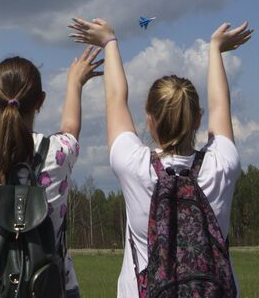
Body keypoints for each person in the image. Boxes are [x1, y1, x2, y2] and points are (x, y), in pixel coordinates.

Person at [68, 18, 252, 297]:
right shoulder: (222, 164)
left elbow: (116, 98)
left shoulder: (133, 164)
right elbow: (220, 105)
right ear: (198, 118)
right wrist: (215, 49)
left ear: (149, 119)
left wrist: (109, 42)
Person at [0, 37, 103, 298]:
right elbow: (70, 128)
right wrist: (75, 83)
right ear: (41, 100)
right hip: (52, 286)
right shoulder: (59, 152)